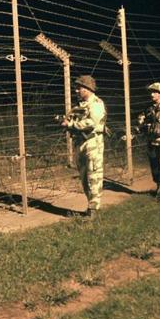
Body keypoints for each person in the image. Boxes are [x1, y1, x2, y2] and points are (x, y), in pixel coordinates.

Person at [61, 75, 106, 218]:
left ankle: (93, 209)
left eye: (79, 88)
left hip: (93, 143)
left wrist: (71, 125)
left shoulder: (97, 104)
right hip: (80, 143)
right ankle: (90, 205)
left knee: (94, 175)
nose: (76, 90)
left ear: (87, 88)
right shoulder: (80, 106)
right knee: (84, 176)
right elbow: (73, 120)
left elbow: (91, 123)